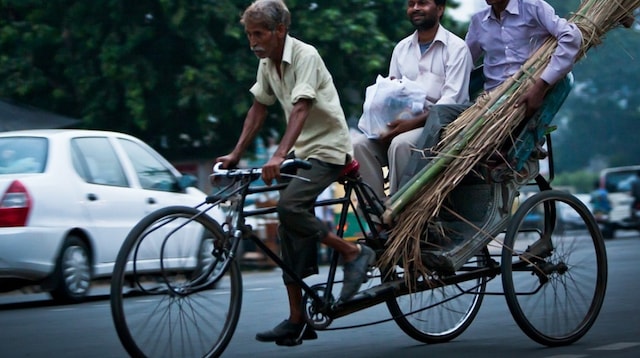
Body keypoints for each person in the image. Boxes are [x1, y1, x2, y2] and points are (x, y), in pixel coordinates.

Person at [216, 0, 375, 346]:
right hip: (303, 152)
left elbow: (301, 107)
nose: (252, 42)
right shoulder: (267, 64)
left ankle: (351, 252)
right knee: (288, 223)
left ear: (280, 31)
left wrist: (279, 153)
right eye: (248, 34)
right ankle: (297, 318)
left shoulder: (305, 56)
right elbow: (258, 109)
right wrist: (235, 153)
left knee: (290, 207)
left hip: (329, 149)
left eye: (259, 34)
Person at [400, 0, 583, 187]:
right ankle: (426, 185)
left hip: (521, 102)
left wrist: (540, 86)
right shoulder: (480, 21)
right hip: (489, 104)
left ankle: (407, 188)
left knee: (441, 115)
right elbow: (463, 59)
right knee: (443, 113)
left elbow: (571, 37)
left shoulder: (532, 7)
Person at [352, 0, 473, 201]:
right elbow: (392, 94)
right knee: (359, 145)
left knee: (400, 144)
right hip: (403, 124)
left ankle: (400, 213)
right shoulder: (401, 48)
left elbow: (451, 102)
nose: (416, 8)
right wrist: (385, 122)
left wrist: (409, 125)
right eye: (411, 4)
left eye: (423, 3)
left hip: (441, 130)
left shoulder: (457, 48)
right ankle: (378, 216)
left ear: (440, 9)